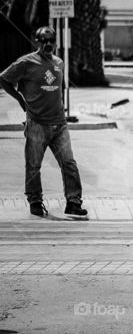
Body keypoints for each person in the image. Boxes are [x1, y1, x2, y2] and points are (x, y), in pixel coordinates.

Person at [0, 26, 86, 218]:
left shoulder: (59, 62)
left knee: (69, 164)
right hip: (37, 124)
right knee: (33, 166)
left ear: (55, 42)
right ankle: (35, 202)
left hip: (59, 124)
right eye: (44, 41)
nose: (48, 44)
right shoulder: (26, 62)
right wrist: (20, 100)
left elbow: (58, 90)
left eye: (51, 41)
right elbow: (4, 79)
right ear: (37, 42)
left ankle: (73, 202)